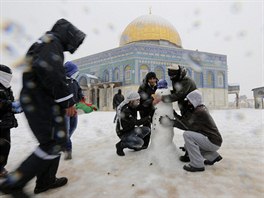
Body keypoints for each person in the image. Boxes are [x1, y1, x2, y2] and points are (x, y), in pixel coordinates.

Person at [0, 18, 86, 197]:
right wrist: (68, 101)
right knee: (51, 144)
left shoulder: (48, 42)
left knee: (57, 141)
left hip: (42, 99)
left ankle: (46, 181)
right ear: (67, 34)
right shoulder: (51, 44)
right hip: (38, 100)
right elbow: (52, 73)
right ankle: (14, 183)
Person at [159, 90, 223, 172]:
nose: (188, 103)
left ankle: (197, 165)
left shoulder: (199, 112)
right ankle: (213, 156)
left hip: (212, 141)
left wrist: (169, 122)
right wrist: (175, 115)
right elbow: (187, 122)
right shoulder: (201, 109)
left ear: (194, 100)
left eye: (190, 101)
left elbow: (186, 126)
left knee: (187, 135)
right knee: (189, 146)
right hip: (214, 140)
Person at [0, 64, 23, 178]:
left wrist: (17, 108)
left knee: (5, 146)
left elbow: (11, 103)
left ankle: (1, 167)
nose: (9, 78)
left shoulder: (7, 88)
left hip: (5, 122)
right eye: (7, 75)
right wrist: (11, 105)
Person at [115, 92, 151, 156]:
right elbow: (136, 123)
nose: (138, 102)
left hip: (130, 129)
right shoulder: (126, 110)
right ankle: (121, 145)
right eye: (137, 100)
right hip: (123, 133)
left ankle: (133, 144)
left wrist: (152, 100)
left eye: (139, 100)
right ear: (131, 100)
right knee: (140, 142)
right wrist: (148, 118)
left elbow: (142, 107)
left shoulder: (132, 105)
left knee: (146, 130)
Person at [63, 61, 84, 160]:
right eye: (74, 71)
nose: (75, 73)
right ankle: (68, 151)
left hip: (74, 109)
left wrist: (81, 97)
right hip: (64, 110)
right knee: (66, 131)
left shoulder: (74, 82)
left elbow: (79, 91)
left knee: (73, 127)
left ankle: (63, 142)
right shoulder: (61, 82)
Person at [137, 72, 158, 149]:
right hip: (144, 109)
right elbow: (142, 97)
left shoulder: (158, 86)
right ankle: (145, 144)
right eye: (150, 79)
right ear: (147, 79)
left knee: (157, 126)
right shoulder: (143, 87)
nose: (152, 80)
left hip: (154, 109)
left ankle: (158, 143)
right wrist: (152, 98)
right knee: (147, 126)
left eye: (154, 78)